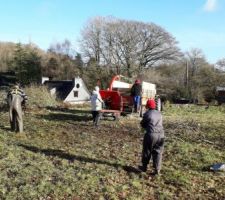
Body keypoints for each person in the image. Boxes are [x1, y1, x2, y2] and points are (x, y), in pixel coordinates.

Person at [139, 99, 165, 175]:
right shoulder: (159, 114)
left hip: (151, 134)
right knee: (158, 152)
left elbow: (143, 124)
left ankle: (144, 168)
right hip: (161, 135)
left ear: (148, 106)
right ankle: (157, 170)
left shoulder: (147, 114)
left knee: (147, 151)